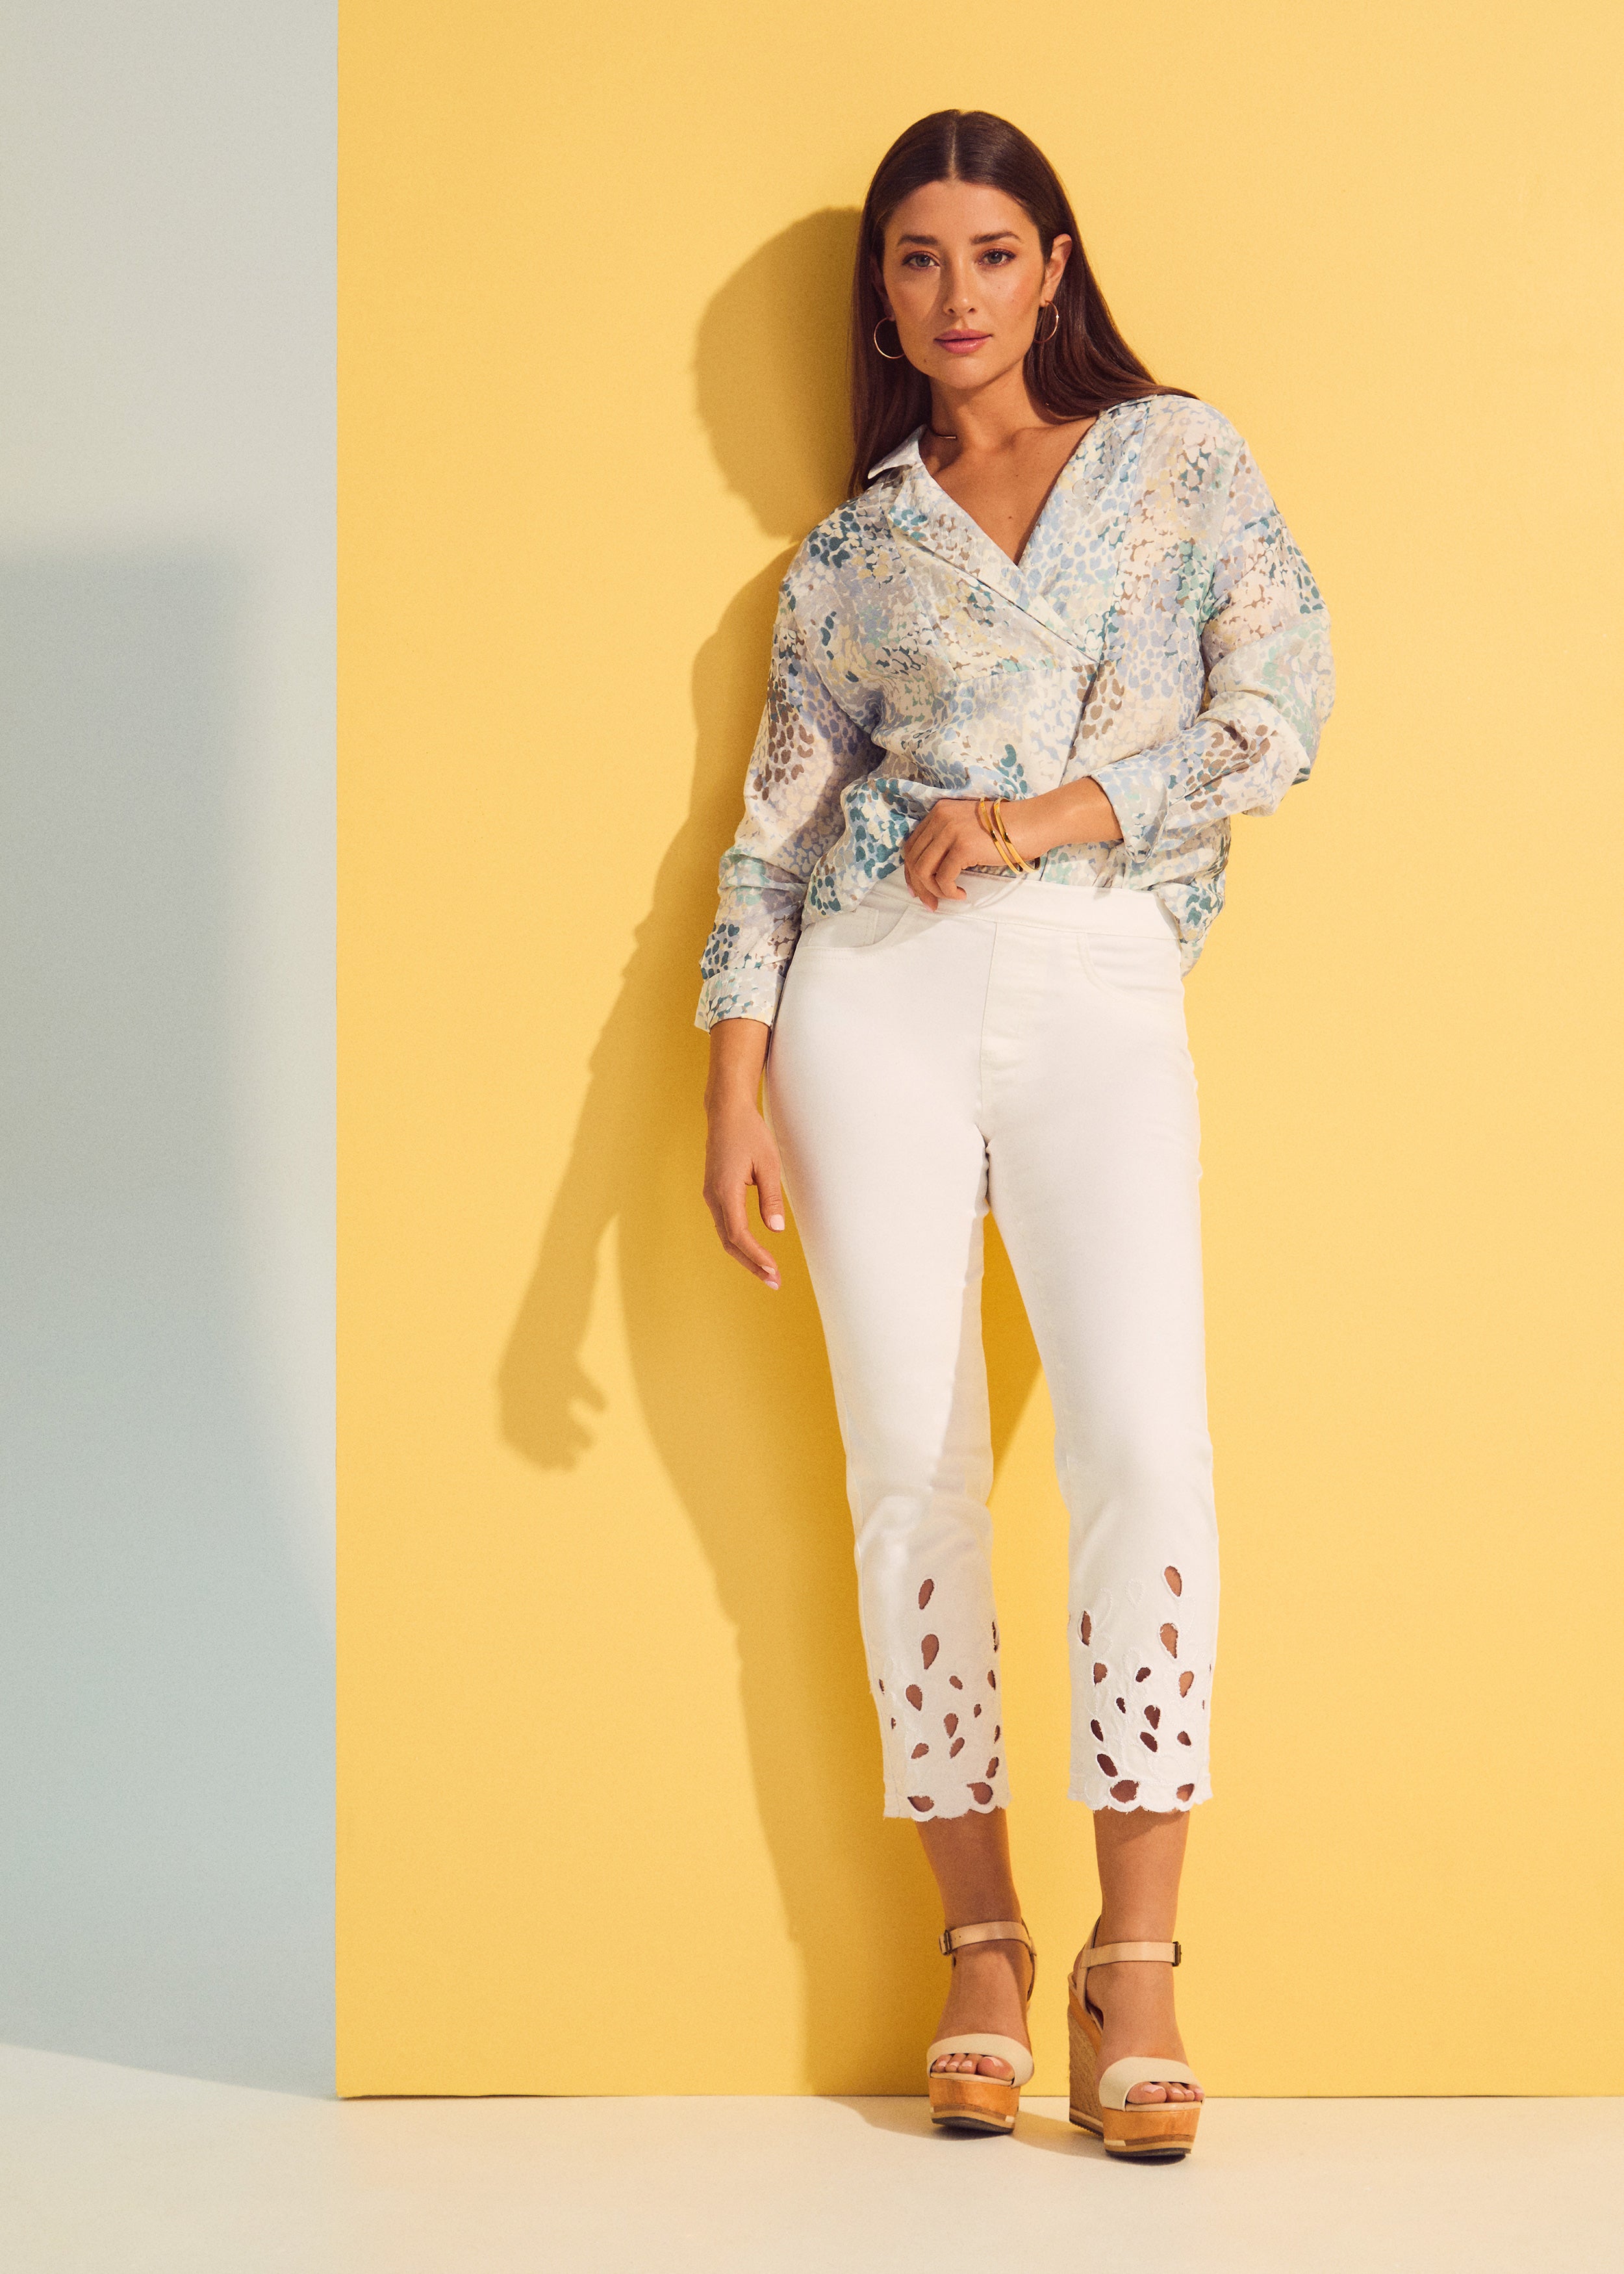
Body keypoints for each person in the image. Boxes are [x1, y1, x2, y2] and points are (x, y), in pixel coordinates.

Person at [696, 108, 1332, 2160]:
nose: (953, 294)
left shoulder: (1177, 460)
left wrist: (1049, 814)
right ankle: (979, 1942)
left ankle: (1133, 1964)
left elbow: (1280, 705)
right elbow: (774, 838)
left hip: (1094, 968)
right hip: (865, 997)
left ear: (1053, 265)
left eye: (988, 252)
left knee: (1143, 1441)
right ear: (880, 297)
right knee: (909, 1468)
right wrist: (733, 1080)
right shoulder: (851, 554)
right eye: (914, 260)